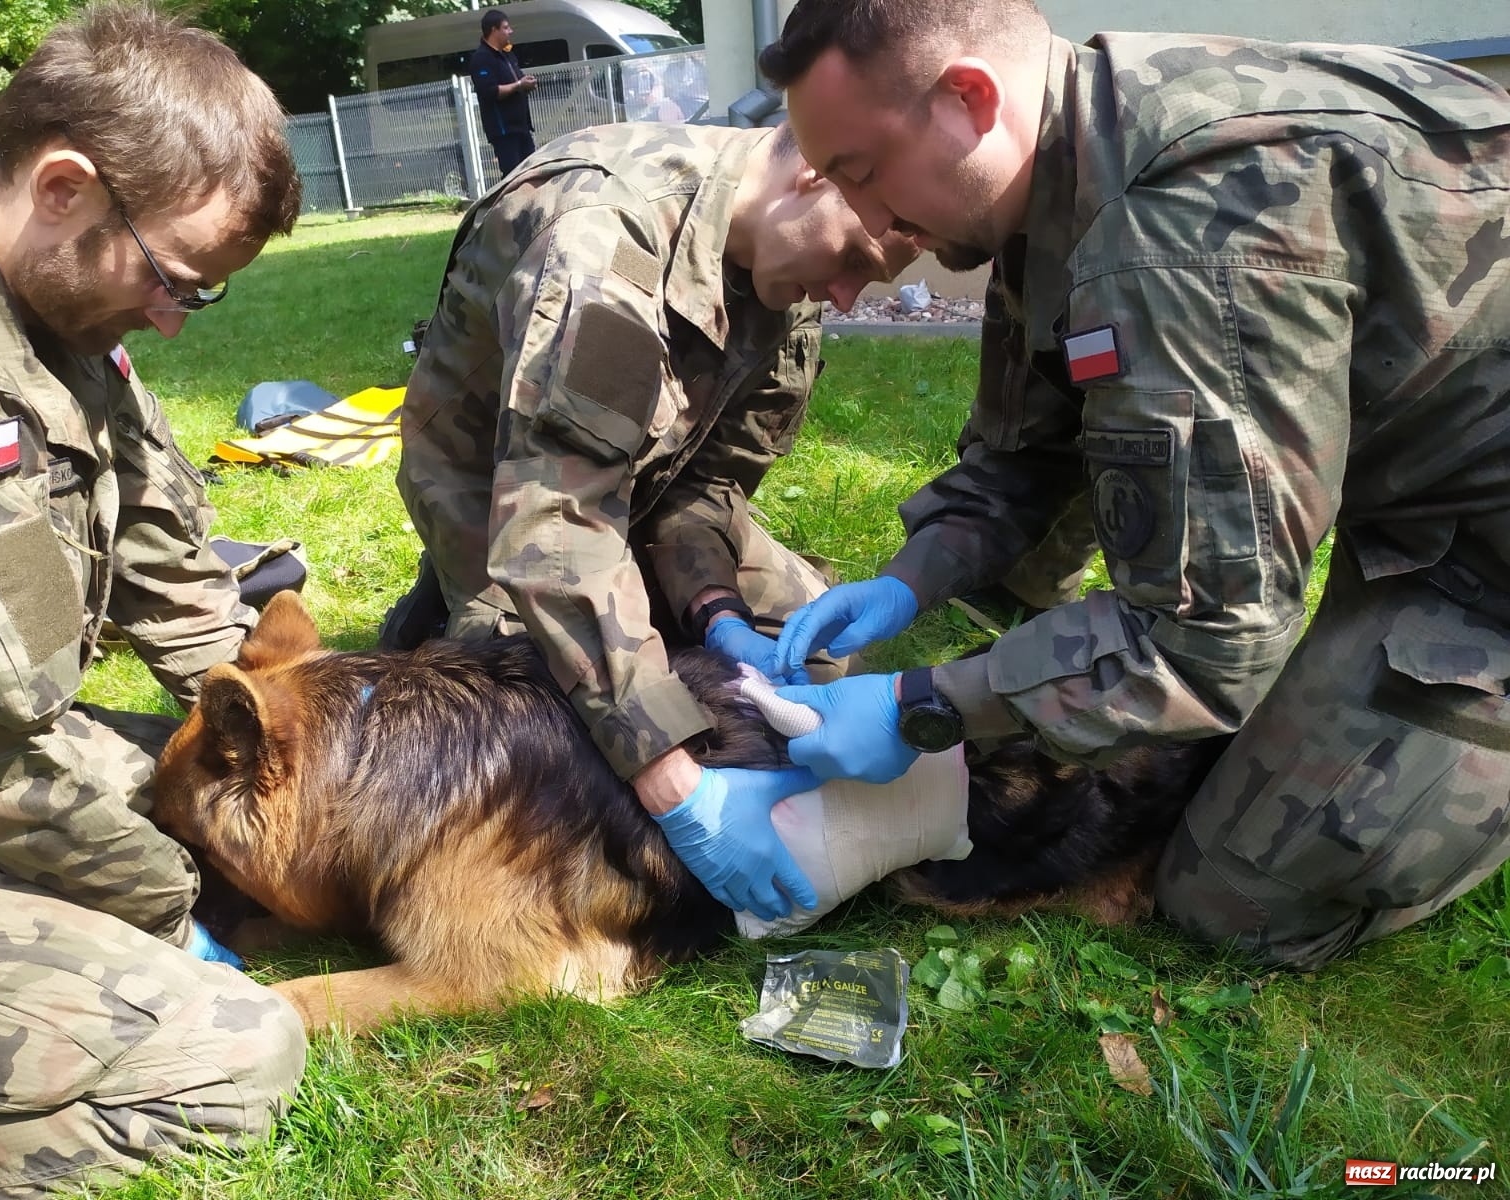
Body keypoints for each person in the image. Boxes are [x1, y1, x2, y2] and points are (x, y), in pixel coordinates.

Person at [755, 0, 1510, 971]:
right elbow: (1030, 455)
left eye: (861, 172)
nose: (864, 220)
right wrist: (909, 580)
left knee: (1232, 901)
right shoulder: (1061, 172)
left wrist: (920, 705)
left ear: (968, 101)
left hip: (1485, 553)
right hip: (1420, 483)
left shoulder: (1182, 234)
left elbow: (1210, 637)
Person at [0, 4, 308, 1194]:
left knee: (233, 811)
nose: (172, 318)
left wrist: (290, 740)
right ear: (64, 188)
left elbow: (168, 566)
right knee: (234, 1053)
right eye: (175, 279)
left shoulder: (50, 312)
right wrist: (171, 902)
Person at [393, 121, 918, 924]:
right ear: (818, 173)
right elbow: (555, 524)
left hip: (639, 489)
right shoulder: (602, 242)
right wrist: (674, 788)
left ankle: (650, 631)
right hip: (505, 500)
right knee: (538, 739)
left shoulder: (786, 270)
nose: (846, 296)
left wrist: (719, 616)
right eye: (853, 259)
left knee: (818, 661)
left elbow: (708, 486)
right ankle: (454, 613)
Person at [470, 8, 539, 176]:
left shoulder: (508, 55)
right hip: (504, 131)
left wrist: (527, 84)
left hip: (522, 127)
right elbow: (489, 92)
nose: (510, 31)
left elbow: (518, 80)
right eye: (506, 27)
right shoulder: (482, 58)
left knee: (533, 172)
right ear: (494, 30)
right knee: (513, 176)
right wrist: (519, 85)